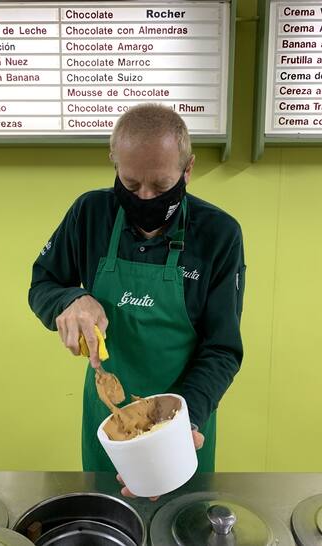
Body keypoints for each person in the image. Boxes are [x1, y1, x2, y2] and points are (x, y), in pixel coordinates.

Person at [29, 103, 246, 495]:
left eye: (161, 187)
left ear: (188, 170)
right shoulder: (89, 214)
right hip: (109, 425)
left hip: (185, 423)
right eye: (130, 185)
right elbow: (42, 282)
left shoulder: (219, 234)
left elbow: (222, 348)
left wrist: (181, 426)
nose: (145, 197)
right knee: (111, 523)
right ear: (114, 163)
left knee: (180, 527)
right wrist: (70, 299)